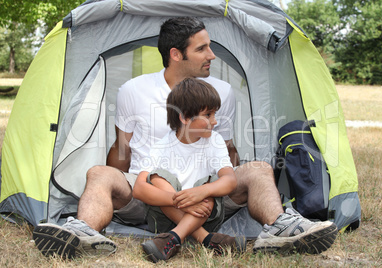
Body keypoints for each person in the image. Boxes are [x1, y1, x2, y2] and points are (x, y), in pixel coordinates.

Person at [33, 17, 338, 259]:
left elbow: (227, 148)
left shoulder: (221, 92)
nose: (212, 55)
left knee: (257, 169)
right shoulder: (133, 90)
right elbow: (121, 149)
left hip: (207, 198)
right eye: (202, 48)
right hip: (149, 197)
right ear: (176, 54)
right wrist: (114, 185)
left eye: (210, 47)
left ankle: (282, 227)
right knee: (99, 173)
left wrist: (225, 186)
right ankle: (82, 232)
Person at [133, 78, 246, 262]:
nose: (215, 121)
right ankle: (207, 239)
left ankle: (173, 239)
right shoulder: (161, 146)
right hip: (164, 217)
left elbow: (230, 180)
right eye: (208, 115)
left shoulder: (215, 141)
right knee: (157, 178)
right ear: (185, 117)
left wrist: (201, 192)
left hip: (206, 214)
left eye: (214, 114)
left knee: (209, 186)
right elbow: (138, 189)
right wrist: (182, 201)